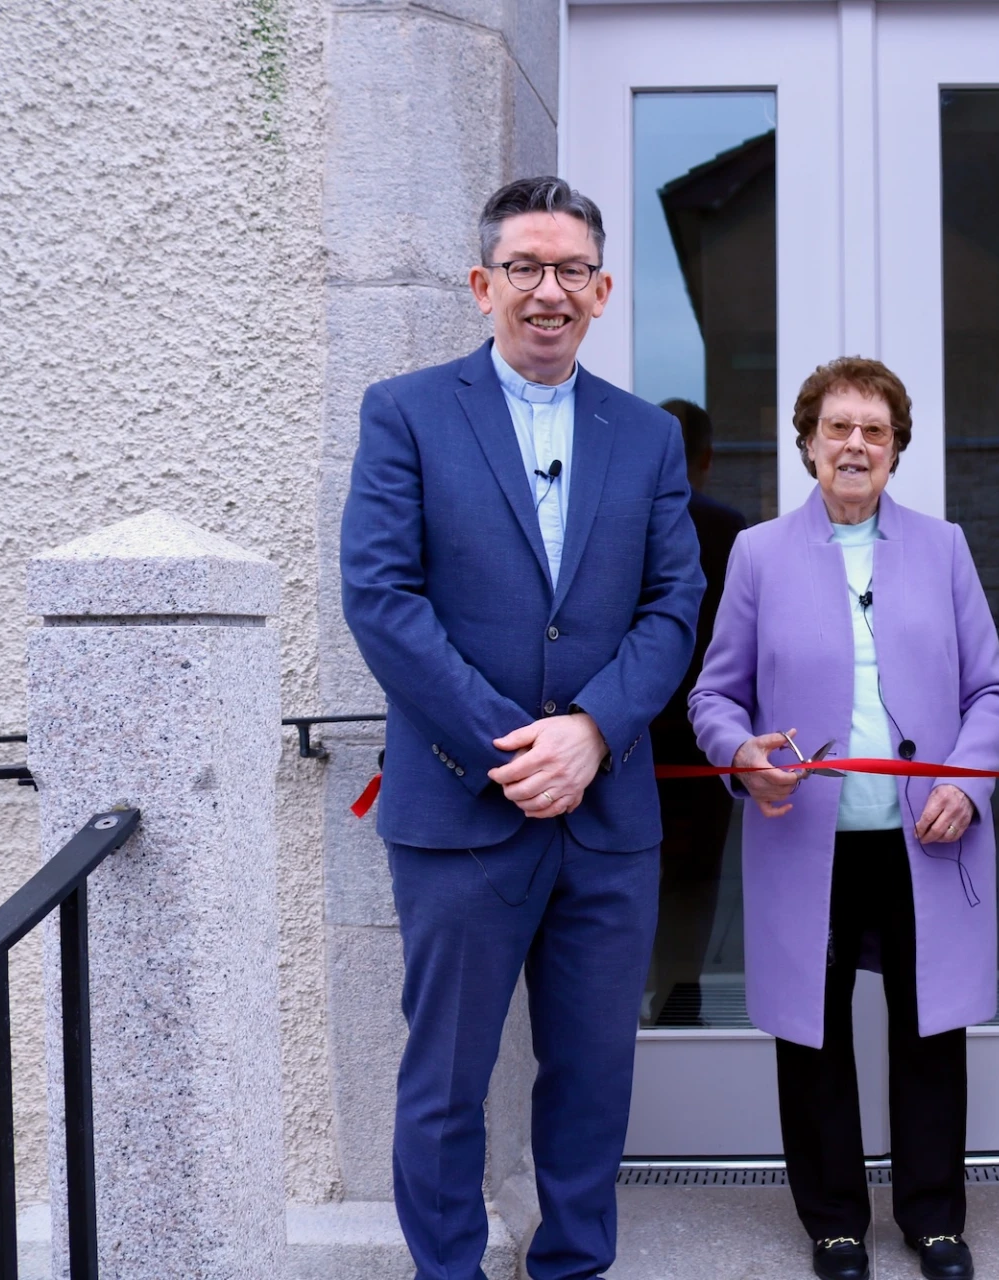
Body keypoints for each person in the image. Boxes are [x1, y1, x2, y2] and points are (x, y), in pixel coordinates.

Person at [340, 176, 705, 1280]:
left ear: (602, 291)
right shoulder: (404, 411)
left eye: (571, 272)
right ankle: (445, 1268)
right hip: (459, 807)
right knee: (446, 1075)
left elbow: (674, 602)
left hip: (608, 813)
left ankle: (573, 1263)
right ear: (482, 282)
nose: (548, 291)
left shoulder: (644, 435)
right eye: (524, 268)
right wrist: (514, 746)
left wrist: (590, 730)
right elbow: (382, 598)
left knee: (592, 1072)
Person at [689, 357, 999, 1280]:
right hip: (807, 838)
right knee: (815, 1032)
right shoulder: (759, 554)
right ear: (806, 443)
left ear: (898, 449)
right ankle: (834, 1223)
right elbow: (714, 698)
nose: (856, 446)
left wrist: (970, 778)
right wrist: (741, 756)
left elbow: (991, 690)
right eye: (838, 428)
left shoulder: (944, 548)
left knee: (928, 1030)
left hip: (926, 833)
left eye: (875, 431)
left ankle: (933, 1220)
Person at [647, 398, 748, 1024]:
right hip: (708, 734)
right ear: (706, 461)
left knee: (633, 875)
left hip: (630, 732)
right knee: (695, 877)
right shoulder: (729, 528)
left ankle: (632, 997)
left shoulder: (620, 520)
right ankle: (682, 997)